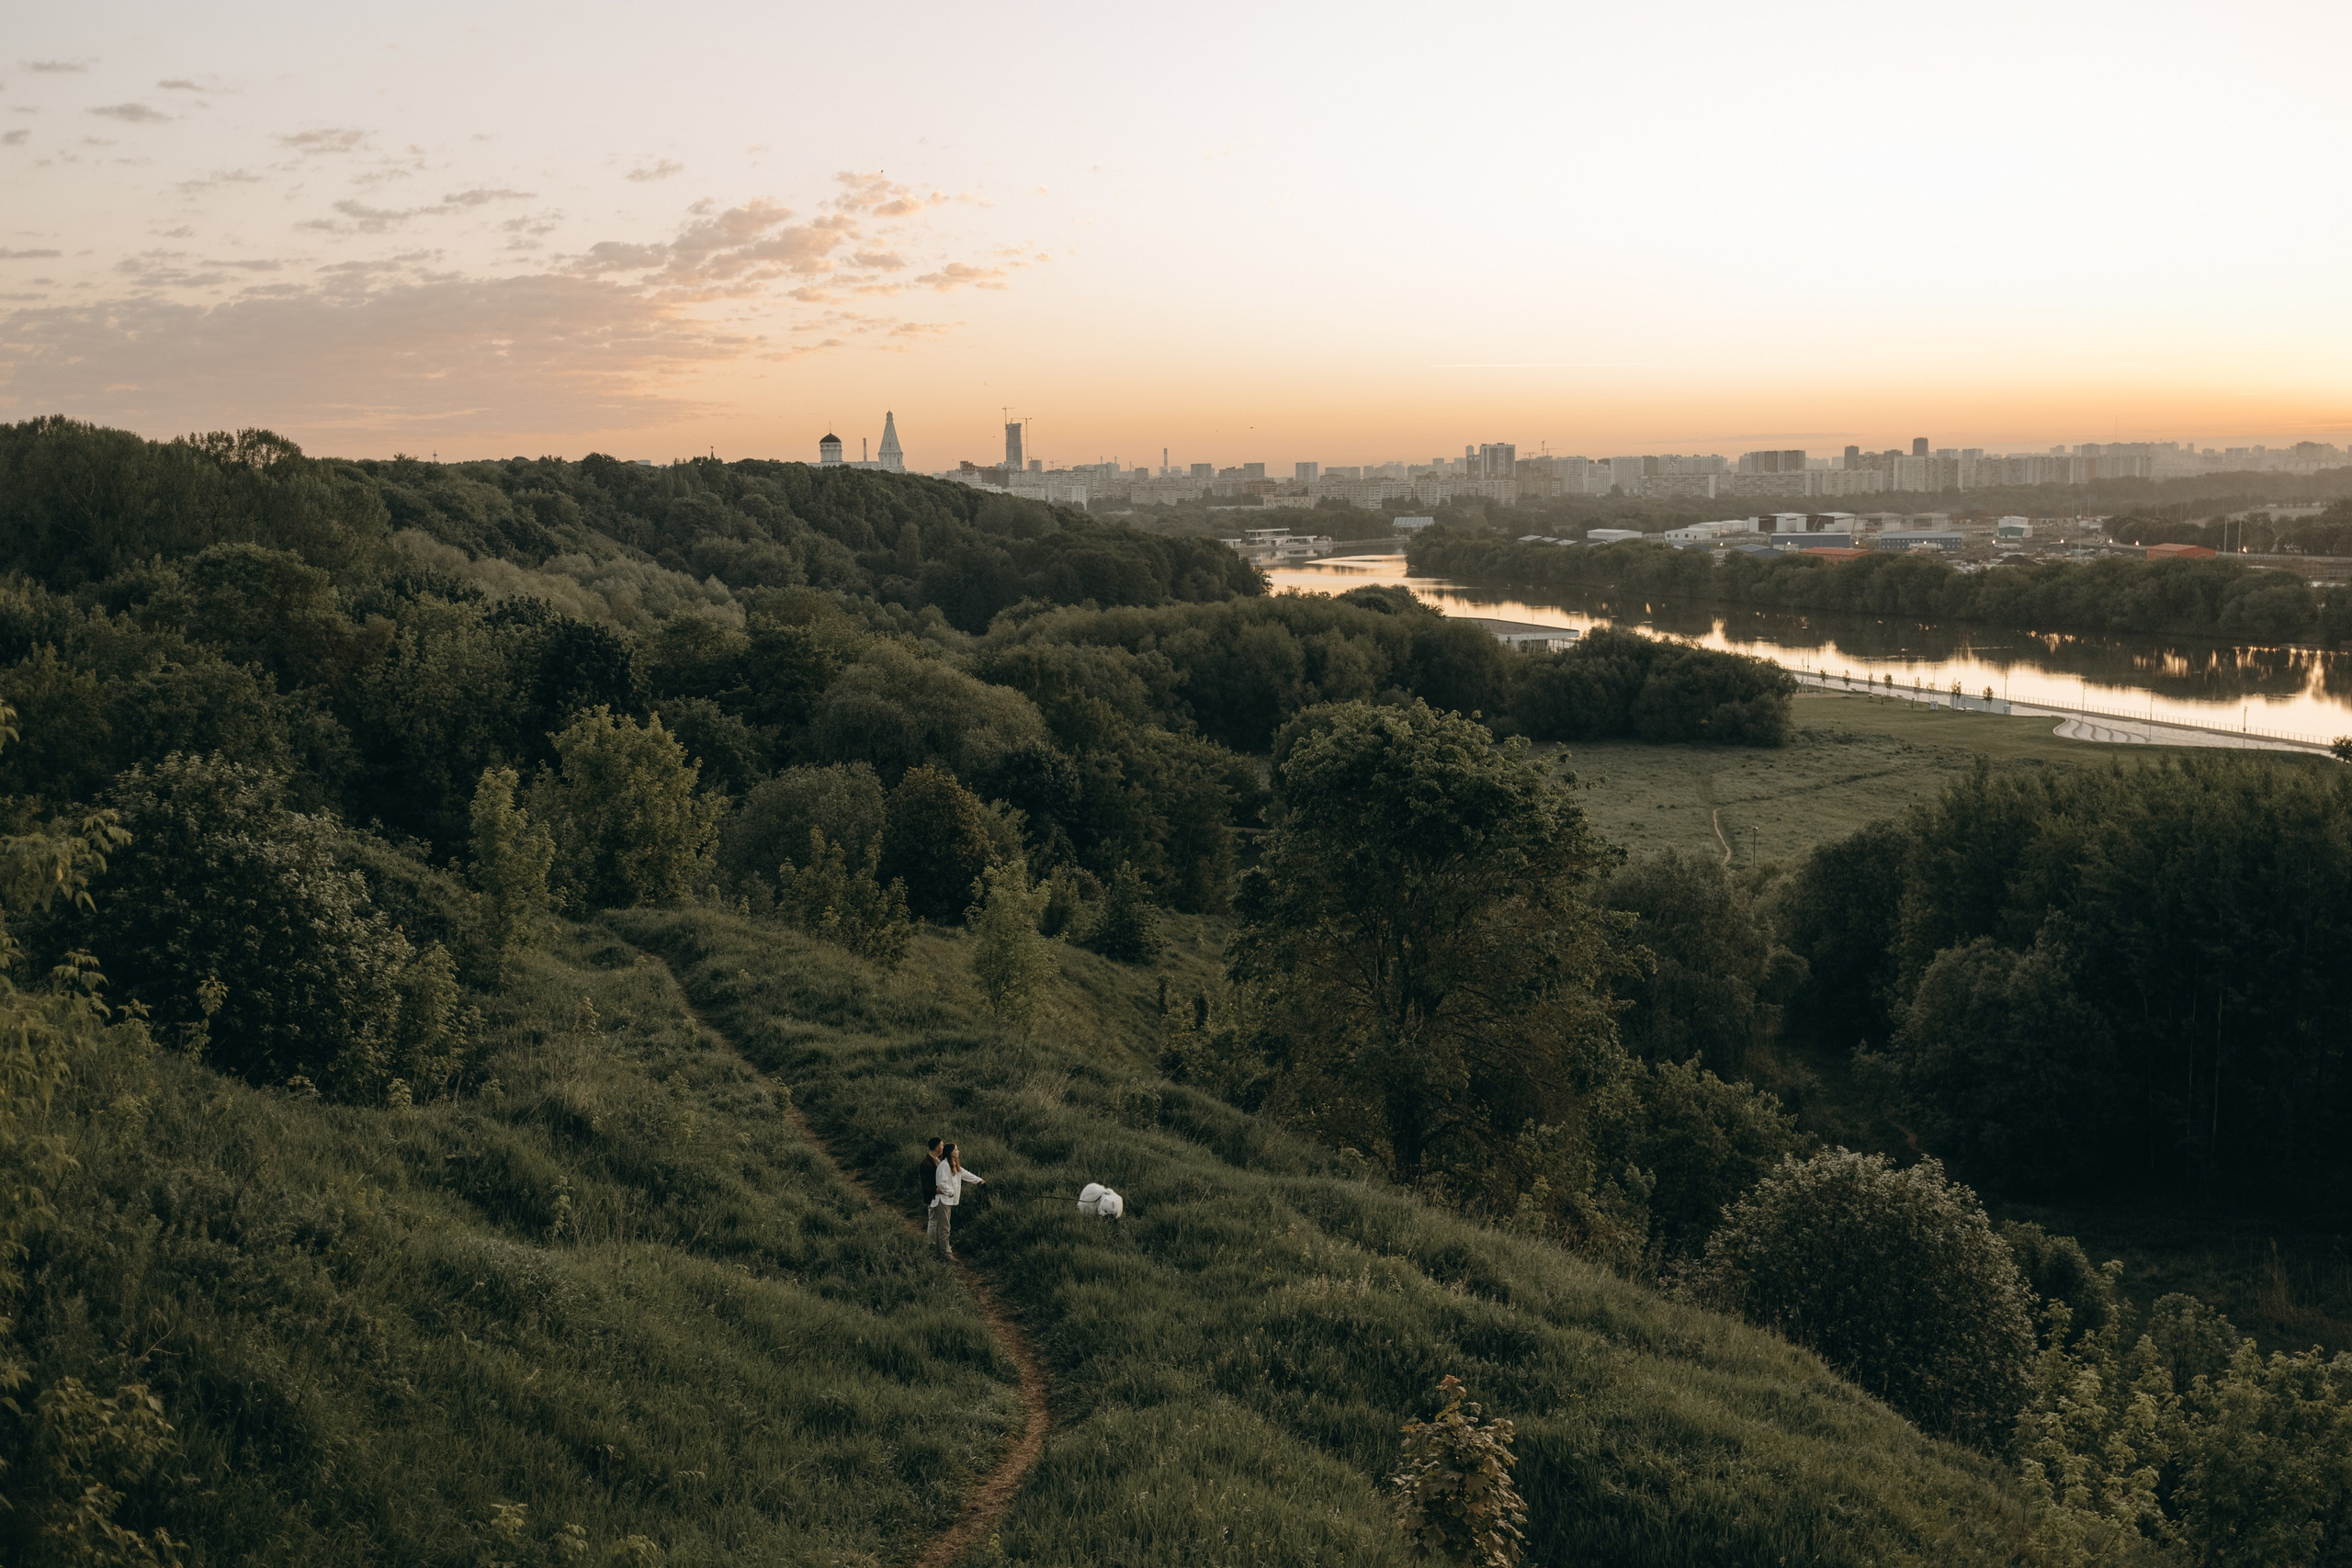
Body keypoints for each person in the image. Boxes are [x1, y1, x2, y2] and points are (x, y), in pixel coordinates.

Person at [931, 1141, 983, 1260]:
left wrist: (979, 1180)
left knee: (942, 1227)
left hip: (947, 1201)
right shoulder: (944, 1165)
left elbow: (965, 1174)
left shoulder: (953, 1164)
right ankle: (946, 1254)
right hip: (943, 1200)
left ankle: (939, 1254)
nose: (958, 1151)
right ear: (950, 1152)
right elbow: (942, 1183)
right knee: (944, 1228)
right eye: (956, 1150)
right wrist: (951, 1192)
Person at [917, 1135, 944, 1248]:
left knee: (938, 1221)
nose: (943, 1147)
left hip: (940, 1196)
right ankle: (932, 1245)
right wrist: (937, 1190)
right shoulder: (926, 1164)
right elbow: (926, 1185)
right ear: (937, 1148)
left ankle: (936, 1242)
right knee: (933, 1221)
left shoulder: (939, 1158)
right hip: (932, 1196)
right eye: (942, 1145)